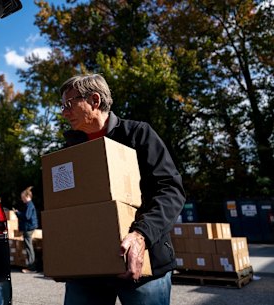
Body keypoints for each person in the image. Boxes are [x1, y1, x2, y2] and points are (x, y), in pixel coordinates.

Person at [59, 74, 186, 305]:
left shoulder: (138, 135)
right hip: (87, 269)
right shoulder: (70, 150)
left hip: (143, 263)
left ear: (94, 100)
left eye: (69, 104)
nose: (63, 112)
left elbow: (170, 191)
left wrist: (141, 236)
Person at [14, 186, 39, 273]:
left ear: (27, 196)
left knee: (29, 247)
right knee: (29, 247)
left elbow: (27, 216)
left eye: (23, 198)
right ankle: (32, 266)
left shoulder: (29, 205)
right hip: (30, 227)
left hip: (29, 228)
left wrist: (18, 213)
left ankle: (32, 267)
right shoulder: (30, 204)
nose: (22, 199)